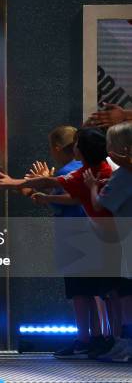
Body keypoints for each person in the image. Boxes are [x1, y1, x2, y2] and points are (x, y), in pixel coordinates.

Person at [27, 127, 107, 359]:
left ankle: (84, 339)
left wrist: (42, 188)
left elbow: (61, 204)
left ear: (57, 148)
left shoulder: (67, 172)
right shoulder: (84, 170)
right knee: (95, 291)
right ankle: (98, 337)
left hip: (74, 235)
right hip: (95, 234)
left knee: (78, 292)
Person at [83, 121, 132, 362]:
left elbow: (100, 204)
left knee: (125, 294)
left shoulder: (124, 174)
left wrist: (92, 187)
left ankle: (126, 343)